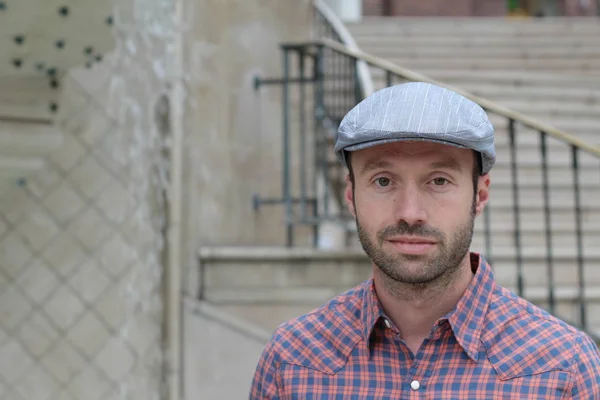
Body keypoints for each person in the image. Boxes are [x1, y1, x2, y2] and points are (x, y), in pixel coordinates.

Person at [249, 82, 600, 399]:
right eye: (383, 181)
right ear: (351, 194)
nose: (410, 213)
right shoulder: (292, 361)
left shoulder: (564, 368)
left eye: (439, 181)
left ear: (480, 194)